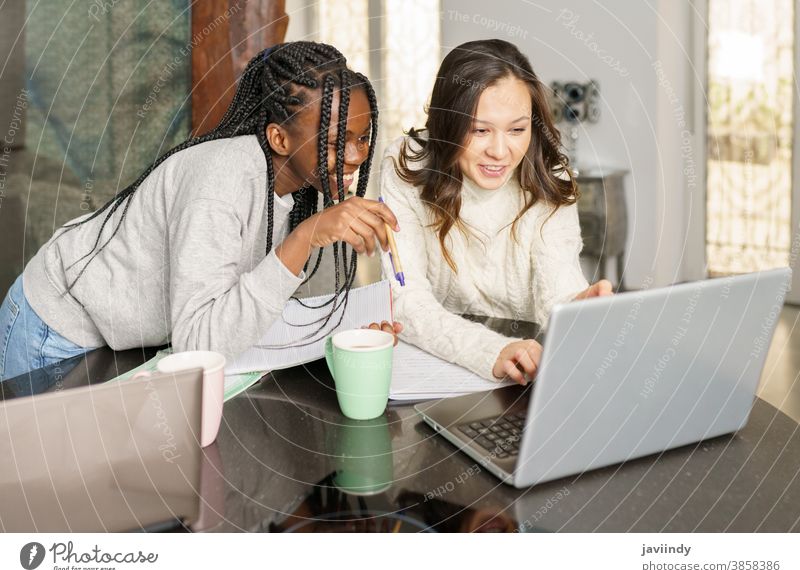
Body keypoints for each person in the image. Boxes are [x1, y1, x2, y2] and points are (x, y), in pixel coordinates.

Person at [0, 41, 401, 382]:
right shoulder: (221, 181)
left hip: (123, 339)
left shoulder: (296, 189)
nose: (355, 156)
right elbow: (199, 345)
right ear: (278, 138)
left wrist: (350, 334)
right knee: (45, 471)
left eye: (363, 137)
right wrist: (304, 238)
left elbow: (258, 301)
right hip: (56, 330)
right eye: (336, 142)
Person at [380, 39, 611, 384]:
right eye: (480, 130)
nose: (501, 151)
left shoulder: (550, 175)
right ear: (447, 124)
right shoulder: (406, 164)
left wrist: (578, 305)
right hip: (441, 364)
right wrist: (490, 351)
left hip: (525, 365)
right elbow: (405, 299)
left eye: (517, 130)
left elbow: (557, 290)